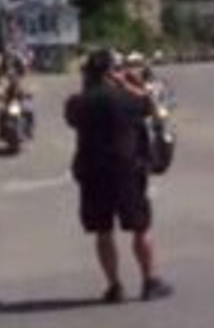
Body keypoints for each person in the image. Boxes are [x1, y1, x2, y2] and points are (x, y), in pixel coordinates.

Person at [65, 49, 173, 304]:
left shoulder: (78, 103)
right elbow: (154, 109)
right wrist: (130, 84)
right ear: (112, 72)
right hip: (127, 171)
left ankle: (114, 286)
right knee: (140, 227)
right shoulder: (126, 99)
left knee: (103, 231)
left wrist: (88, 87)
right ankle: (150, 281)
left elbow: (71, 118)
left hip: (92, 173)